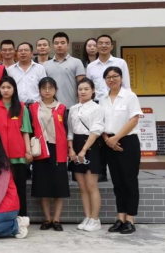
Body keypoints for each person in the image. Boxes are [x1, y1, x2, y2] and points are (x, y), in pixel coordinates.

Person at [100, 66, 143, 235]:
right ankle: (120, 218)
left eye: (115, 76)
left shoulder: (130, 96)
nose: (112, 79)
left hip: (127, 142)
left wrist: (116, 138)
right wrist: (108, 140)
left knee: (129, 181)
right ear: (105, 80)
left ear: (121, 78)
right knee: (117, 182)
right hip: (109, 142)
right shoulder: (102, 99)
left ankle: (130, 219)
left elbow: (134, 120)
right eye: (108, 77)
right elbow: (100, 122)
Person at [0, 77, 33, 217]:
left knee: (20, 189)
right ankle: (2, 218)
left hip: (19, 156)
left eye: (9, 87)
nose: (5, 90)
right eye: (3, 87)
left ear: (14, 90)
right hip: (0, 156)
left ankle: (22, 218)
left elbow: (25, 131)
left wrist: (28, 151)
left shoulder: (22, 108)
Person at [29, 77, 70, 231]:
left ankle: (56, 219)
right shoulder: (33, 108)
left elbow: (67, 130)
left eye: (50, 88)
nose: (47, 91)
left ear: (55, 90)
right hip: (41, 149)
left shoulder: (62, 108)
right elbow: (30, 129)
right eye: (44, 88)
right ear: (39, 90)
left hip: (57, 149)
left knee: (59, 186)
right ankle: (47, 219)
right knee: (43, 186)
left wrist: (69, 149)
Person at [67, 78, 104, 232]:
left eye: (86, 89)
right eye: (80, 89)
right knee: (82, 186)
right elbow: (70, 131)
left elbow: (96, 130)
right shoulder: (73, 108)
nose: (83, 92)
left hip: (91, 146)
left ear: (93, 90)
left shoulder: (97, 108)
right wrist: (71, 149)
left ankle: (95, 219)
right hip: (75, 145)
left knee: (91, 185)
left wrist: (84, 150)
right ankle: (87, 217)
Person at [43, 32, 85, 108]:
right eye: (56, 43)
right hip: (51, 107)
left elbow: (83, 85)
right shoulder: (46, 65)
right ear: (53, 46)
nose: (59, 45)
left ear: (68, 45)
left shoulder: (77, 62)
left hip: (72, 106)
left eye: (62, 43)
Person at [86, 35, 131, 101]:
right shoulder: (90, 66)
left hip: (117, 100)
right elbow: (88, 87)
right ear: (97, 46)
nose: (104, 46)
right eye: (100, 43)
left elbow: (126, 86)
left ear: (111, 47)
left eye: (107, 43)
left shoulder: (120, 63)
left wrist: (128, 100)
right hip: (97, 102)